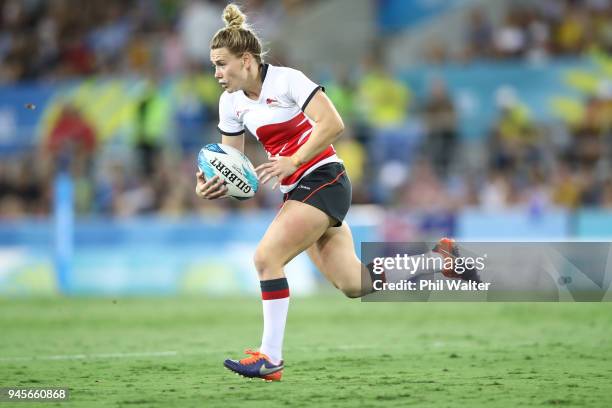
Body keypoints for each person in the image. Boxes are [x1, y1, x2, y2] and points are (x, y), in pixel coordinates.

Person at [195, 3, 477, 382]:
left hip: (324, 178)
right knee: (353, 284)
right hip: (299, 191)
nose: (216, 74)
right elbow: (232, 163)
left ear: (246, 60)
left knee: (266, 259)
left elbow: (333, 123)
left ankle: (270, 358)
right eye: (214, 65)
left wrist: (293, 160)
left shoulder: (287, 80)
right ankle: (439, 259)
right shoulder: (230, 103)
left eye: (221, 64)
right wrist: (211, 183)